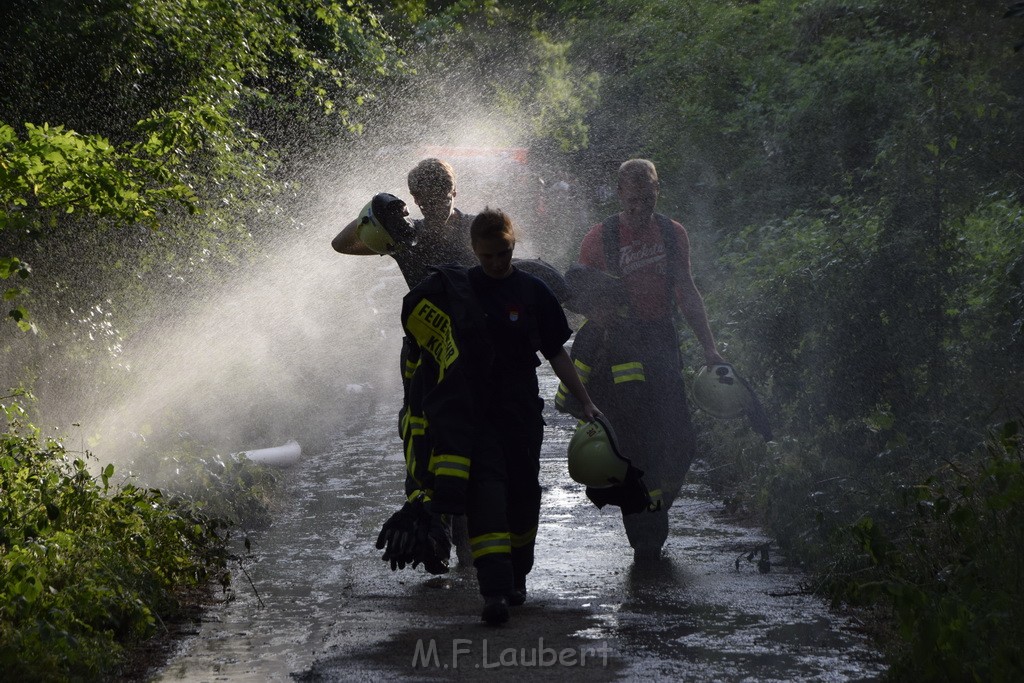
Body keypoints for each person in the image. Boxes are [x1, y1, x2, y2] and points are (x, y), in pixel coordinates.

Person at [397, 208, 600, 626]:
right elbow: (428, 349)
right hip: (477, 413)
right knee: (486, 494)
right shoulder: (456, 293)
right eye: (487, 256)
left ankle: (517, 574)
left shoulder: (533, 292)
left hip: (521, 410)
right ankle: (494, 591)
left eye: (503, 254)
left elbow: (556, 351)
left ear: (513, 246)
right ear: (474, 251)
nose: (495, 264)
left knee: (524, 494)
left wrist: (585, 401)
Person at [562, 158, 725, 563]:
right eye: (633, 201)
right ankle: (645, 537)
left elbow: (686, 289)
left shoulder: (672, 233)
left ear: (658, 192)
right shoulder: (599, 239)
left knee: (680, 439)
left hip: (661, 340)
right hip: (618, 349)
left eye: (648, 200)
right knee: (634, 443)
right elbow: (579, 296)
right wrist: (594, 314)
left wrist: (709, 347)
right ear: (619, 195)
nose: (640, 209)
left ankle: (656, 507)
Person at [331, 157, 476, 288]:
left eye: (442, 200)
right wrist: (377, 212)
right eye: (427, 203)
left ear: (454, 192)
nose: (436, 209)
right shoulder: (405, 237)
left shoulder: (478, 229)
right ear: (416, 199)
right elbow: (341, 244)